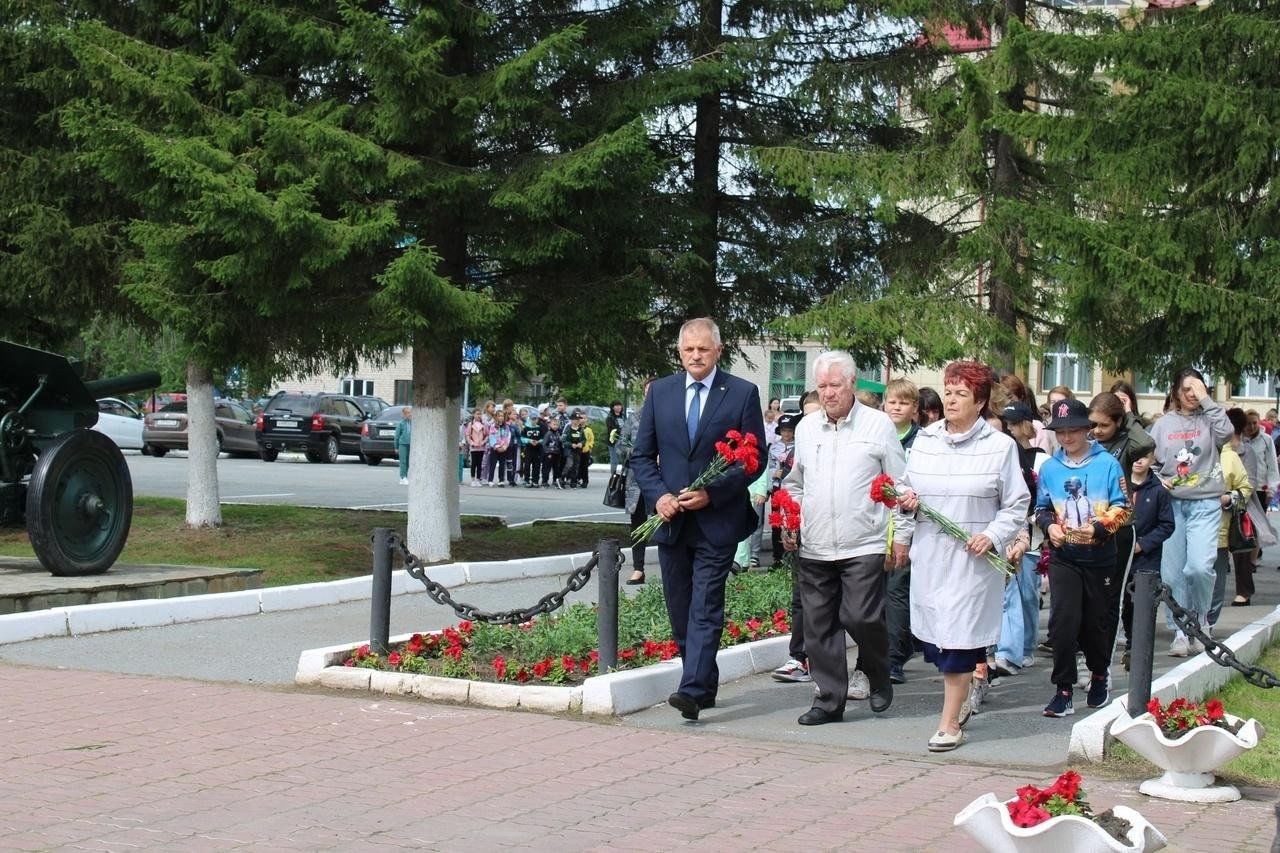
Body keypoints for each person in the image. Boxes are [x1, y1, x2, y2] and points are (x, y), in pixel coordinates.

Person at [628, 317, 766, 721]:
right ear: (679, 351)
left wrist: (713, 491)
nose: (695, 356)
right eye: (688, 349)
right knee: (681, 607)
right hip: (672, 521)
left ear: (718, 351)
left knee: (705, 604)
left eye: (703, 349)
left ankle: (689, 689)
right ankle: (703, 683)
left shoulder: (741, 393)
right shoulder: (662, 393)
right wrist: (659, 497)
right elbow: (641, 456)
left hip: (718, 520)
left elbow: (753, 460)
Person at [893, 362, 1030, 752]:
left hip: (973, 559)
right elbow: (906, 490)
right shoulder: (926, 440)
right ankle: (970, 682)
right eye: (947, 392)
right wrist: (906, 506)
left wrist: (992, 534)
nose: (951, 400)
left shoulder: (999, 446)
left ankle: (949, 722)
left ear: (981, 401)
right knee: (936, 644)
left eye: (961, 394)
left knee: (959, 641)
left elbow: (1017, 502)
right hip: (932, 554)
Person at [781, 351, 906, 725]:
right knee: (817, 625)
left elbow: (900, 486)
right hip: (816, 542)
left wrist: (901, 536)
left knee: (860, 617)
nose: (828, 393)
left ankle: (878, 671)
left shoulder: (878, 425)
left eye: (835, 385)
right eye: (822, 386)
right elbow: (795, 483)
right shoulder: (806, 429)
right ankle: (829, 700)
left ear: (852, 384)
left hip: (864, 540)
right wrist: (792, 517)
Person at [1034, 398, 1131, 717]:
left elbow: (1124, 507)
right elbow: (1041, 507)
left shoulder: (1108, 464)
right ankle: (1062, 689)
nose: (1066, 438)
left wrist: (1101, 528)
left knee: (1095, 624)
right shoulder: (1049, 468)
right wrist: (1050, 527)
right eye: (1060, 432)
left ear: (1087, 430)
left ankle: (1099, 673)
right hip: (1064, 556)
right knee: (1062, 622)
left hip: (1100, 556)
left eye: (1073, 430)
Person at [1150, 368, 1232, 657]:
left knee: (1199, 567)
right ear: (1175, 392)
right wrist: (1161, 481)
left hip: (1205, 503)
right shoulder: (1162, 425)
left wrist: (1207, 399)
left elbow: (1228, 432)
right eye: (1186, 389)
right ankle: (1181, 632)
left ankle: (1202, 621)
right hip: (1172, 505)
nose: (1191, 395)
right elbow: (1148, 462)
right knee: (1172, 575)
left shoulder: (1211, 420)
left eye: (1197, 388)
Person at [1088, 391, 1156, 662]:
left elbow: (1146, 442)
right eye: (1093, 424)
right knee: (1087, 596)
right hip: (1086, 526)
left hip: (1119, 528)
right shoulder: (1087, 442)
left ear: (1117, 422)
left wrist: (1128, 416)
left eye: (1104, 425)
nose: (1097, 430)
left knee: (1110, 595)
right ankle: (1087, 652)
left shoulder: (1127, 442)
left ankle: (1101, 659)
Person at [990, 402, 1046, 678]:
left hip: (1030, 534)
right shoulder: (999, 454)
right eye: (1007, 424)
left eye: (1013, 424)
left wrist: (1036, 522)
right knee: (1009, 592)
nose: (1010, 429)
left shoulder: (1038, 458)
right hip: (1000, 535)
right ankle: (1008, 651)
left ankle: (1025, 646)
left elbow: (1037, 496)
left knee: (1026, 594)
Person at [882, 378, 921, 684]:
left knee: (897, 592)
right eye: (892, 401)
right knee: (876, 594)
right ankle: (893, 648)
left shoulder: (921, 441)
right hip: (876, 524)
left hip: (909, 526)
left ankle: (894, 658)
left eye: (903, 402)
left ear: (915, 409)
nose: (896, 407)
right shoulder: (876, 434)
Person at [1121, 450, 1175, 669]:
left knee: (1140, 603)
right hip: (1120, 555)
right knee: (1124, 603)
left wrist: (1142, 545)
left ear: (1152, 459)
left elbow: (1167, 525)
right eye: (1135, 456)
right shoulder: (1119, 485)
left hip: (1146, 558)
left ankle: (1136, 648)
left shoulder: (1158, 491)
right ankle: (1129, 641)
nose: (1139, 460)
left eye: (1145, 456)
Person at [1207, 409, 1253, 627]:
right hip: (1187, 529)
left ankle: (1208, 623)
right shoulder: (1192, 452)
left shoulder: (1230, 457)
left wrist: (1228, 498)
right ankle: (1185, 625)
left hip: (1219, 532)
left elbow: (1246, 489)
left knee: (1215, 580)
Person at [618, 380, 653, 584]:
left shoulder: (670, 416)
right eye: (648, 391)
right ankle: (638, 568)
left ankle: (672, 568)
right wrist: (638, 452)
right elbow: (621, 446)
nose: (651, 394)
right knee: (638, 524)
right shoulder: (634, 417)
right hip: (637, 480)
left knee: (665, 523)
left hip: (663, 480)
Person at [465, 409, 487, 486]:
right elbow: (467, 435)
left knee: (479, 464)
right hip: (474, 447)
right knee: (473, 463)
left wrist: (483, 442)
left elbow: (487, 435)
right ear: (473, 415)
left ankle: (478, 479)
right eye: (477, 414)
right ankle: (473, 479)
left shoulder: (483, 424)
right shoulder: (470, 424)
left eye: (480, 414)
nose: (479, 416)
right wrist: (472, 443)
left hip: (481, 447)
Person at [606, 401, 625, 476]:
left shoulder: (623, 416)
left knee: (625, 460)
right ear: (613, 407)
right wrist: (623, 431)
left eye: (619, 405)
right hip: (613, 442)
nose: (618, 407)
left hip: (623, 441)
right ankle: (613, 476)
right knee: (615, 461)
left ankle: (624, 476)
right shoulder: (610, 417)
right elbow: (613, 430)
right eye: (616, 405)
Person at [394, 407, 412, 485]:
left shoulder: (412, 423)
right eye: (408, 413)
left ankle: (405, 476)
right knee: (403, 461)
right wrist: (396, 447)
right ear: (404, 414)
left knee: (408, 462)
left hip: (410, 445)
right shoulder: (401, 423)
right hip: (402, 445)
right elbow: (397, 436)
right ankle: (402, 477)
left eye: (410, 413)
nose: (410, 414)